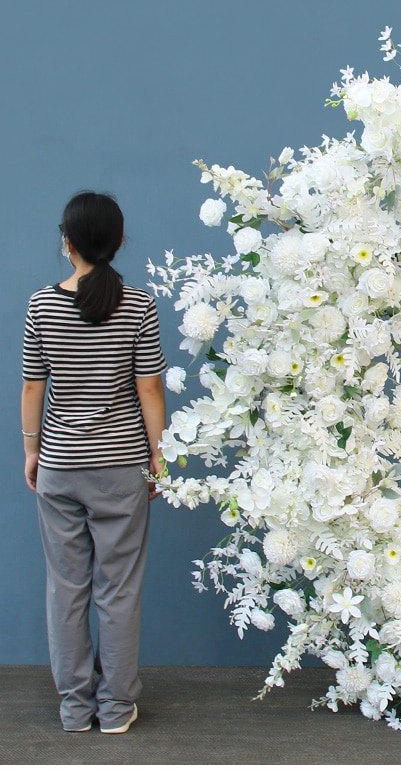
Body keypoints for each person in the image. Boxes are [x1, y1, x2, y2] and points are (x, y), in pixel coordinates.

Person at [21, 192, 166, 734]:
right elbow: (148, 385)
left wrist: (31, 449)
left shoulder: (41, 305)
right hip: (122, 466)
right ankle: (116, 708)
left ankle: (75, 708)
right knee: (118, 588)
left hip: (60, 464)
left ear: (68, 242)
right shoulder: (139, 304)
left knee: (67, 586)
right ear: (120, 241)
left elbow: (34, 385)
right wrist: (158, 455)